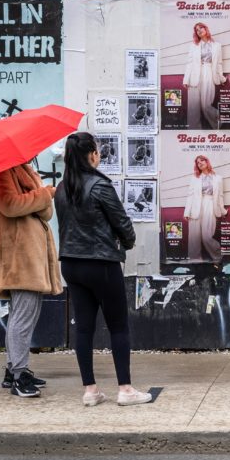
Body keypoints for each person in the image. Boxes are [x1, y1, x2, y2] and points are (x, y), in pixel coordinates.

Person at [54, 132, 150, 407]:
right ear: (91, 155)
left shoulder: (62, 188)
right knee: (118, 326)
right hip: (100, 263)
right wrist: (128, 243)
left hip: (71, 264)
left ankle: (90, 391)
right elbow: (121, 222)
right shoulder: (99, 186)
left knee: (83, 329)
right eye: (97, 151)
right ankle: (125, 390)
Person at [0, 163, 61, 398]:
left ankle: (13, 370)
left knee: (26, 313)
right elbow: (11, 205)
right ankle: (18, 375)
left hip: (31, 254)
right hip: (17, 254)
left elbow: (46, 212)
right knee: (23, 316)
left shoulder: (25, 170)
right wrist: (45, 193)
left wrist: (38, 196)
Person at [184, 155, 227, 263]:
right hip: (195, 206)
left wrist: (222, 210)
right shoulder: (194, 178)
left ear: (207, 162)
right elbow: (190, 195)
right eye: (198, 163)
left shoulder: (218, 178)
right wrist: (187, 212)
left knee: (207, 236)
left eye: (202, 160)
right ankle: (195, 260)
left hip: (210, 204)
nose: (200, 163)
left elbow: (220, 195)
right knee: (194, 236)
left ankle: (218, 257)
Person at [183, 22, 225, 129]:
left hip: (209, 73)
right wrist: (186, 80)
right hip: (194, 75)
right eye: (197, 30)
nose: (199, 30)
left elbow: (219, 63)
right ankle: (194, 129)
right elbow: (189, 63)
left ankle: (218, 120)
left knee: (206, 105)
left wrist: (221, 78)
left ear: (206, 29)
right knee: (193, 106)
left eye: (201, 28)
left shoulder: (217, 46)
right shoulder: (193, 46)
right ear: (196, 34)